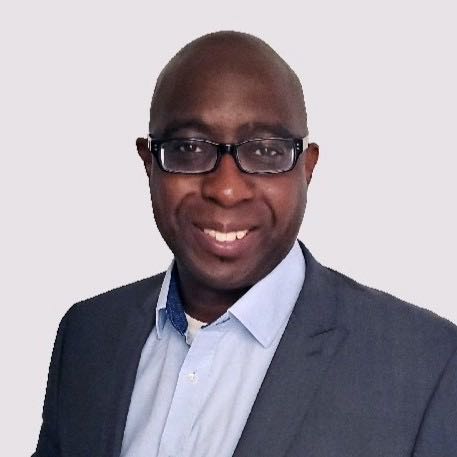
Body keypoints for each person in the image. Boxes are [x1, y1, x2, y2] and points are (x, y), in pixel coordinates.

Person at [33, 31, 457, 457]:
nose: (227, 190)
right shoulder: (87, 334)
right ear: (149, 164)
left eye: (267, 151)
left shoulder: (428, 366)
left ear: (307, 169)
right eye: (188, 148)